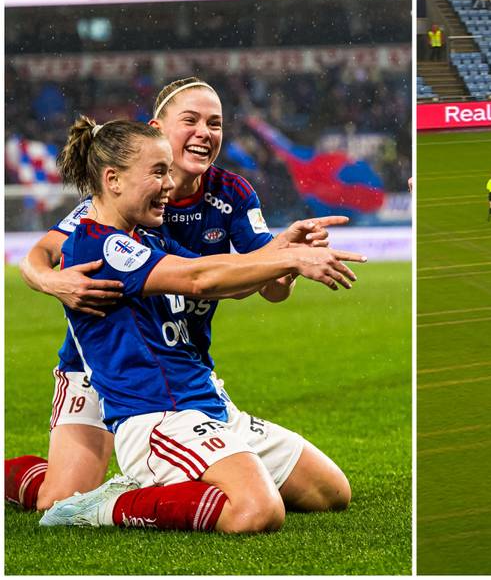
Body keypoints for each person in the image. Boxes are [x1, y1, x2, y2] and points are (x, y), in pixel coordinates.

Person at [8, 78, 346, 515]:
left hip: (183, 371)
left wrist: (285, 258)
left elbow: (241, 282)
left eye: (216, 123)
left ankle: (180, 470)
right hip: (104, 370)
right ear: (157, 128)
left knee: (330, 493)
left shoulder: (228, 195)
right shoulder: (112, 208)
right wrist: (52, 282)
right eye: (191, 120)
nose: (205, 132)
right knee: (62, 498)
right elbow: (42, 254)